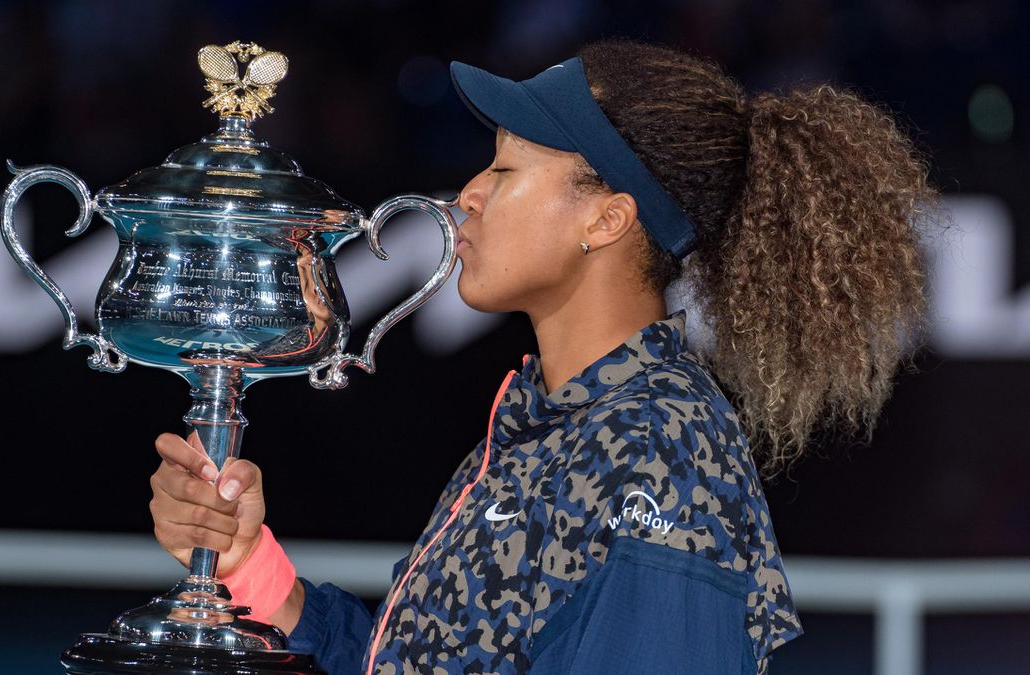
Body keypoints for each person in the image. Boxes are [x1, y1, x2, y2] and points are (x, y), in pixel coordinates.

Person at [148, 39, 936, 674]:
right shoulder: (540, 426)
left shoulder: (662, 453)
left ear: (606, 219)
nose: (467, 196)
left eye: (505, 169)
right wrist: (250, 564)